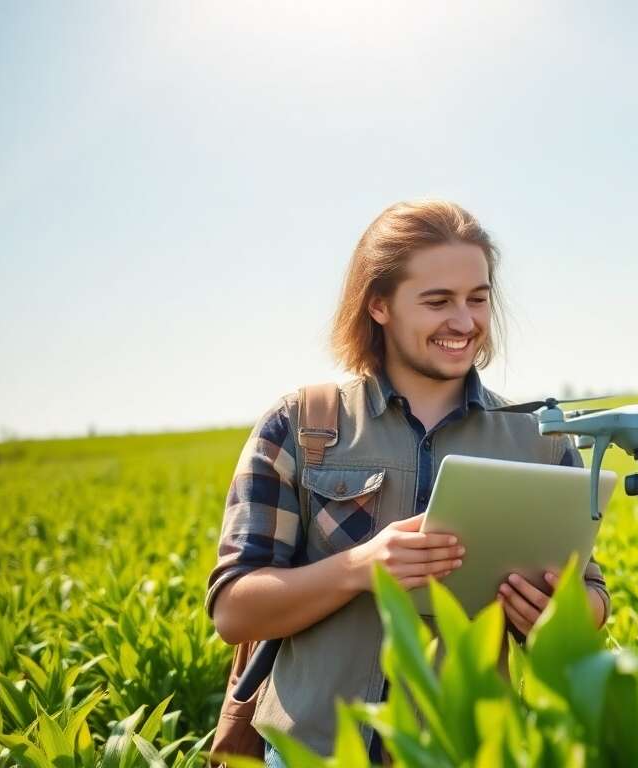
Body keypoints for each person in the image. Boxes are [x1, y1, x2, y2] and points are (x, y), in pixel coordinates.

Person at [206, 200, 610, 764]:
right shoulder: (301, 426)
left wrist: (554, 613)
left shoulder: (537, 441)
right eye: (437, 301)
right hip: (316, 752)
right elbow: (234, 610)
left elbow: (592, 599)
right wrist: (358, 568)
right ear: (379, 305)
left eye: (478, 298)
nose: (465, 322)